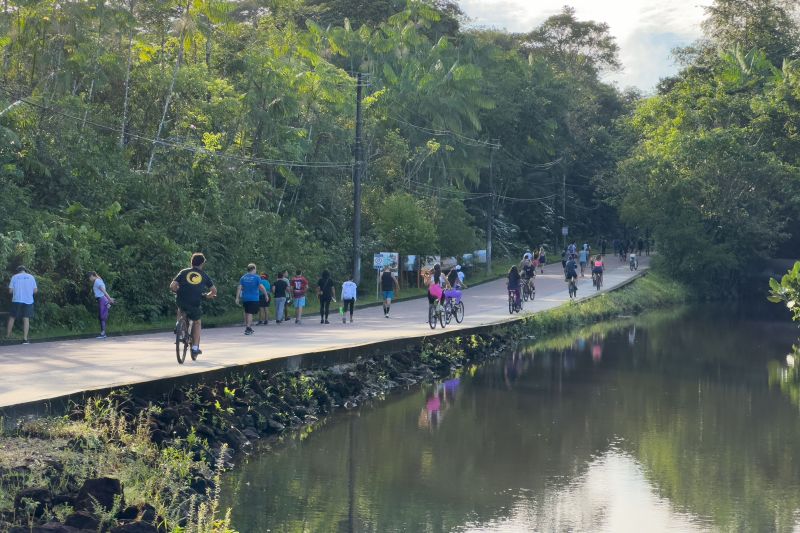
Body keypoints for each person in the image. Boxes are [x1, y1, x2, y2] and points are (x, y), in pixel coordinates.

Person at [170, 253, 217, 357]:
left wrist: (177, 291)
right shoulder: (204, 275)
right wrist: (207, 296)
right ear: (202, 263)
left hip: (181, 299)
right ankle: (195, 348)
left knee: (181, 307)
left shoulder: (184, 272)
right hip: (195, 301)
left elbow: (172, 286)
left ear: (191, 262)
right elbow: (214, 291)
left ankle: (179, 326)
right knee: (197, 322)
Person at [6, 266, 38, 344]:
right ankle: (25, 338)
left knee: (12, 317)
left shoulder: (14, 277)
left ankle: (7, 335)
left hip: (17, 300)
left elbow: (10, 291)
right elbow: (35, 290)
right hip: (28, 300)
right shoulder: (31, 277)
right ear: (25, 270)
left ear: (18, 271)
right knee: (26, 318)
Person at [236, 263, 268, 335]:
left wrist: (237, 298)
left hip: (246, 298)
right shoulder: (256, 277)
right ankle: (248, 328)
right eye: (255, 269)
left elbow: (239, 287)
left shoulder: (243, 277)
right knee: (250, 313)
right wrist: (266, 295)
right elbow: (261, 287)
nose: (256, 270)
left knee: (247, 312)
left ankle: (248, 327)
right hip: (253, 298)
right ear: (253, 269)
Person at [88, 271, 115, 339]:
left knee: (102, 317)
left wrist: (109, 299)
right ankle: (103, 333)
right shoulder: (99, 280)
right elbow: (102, 292)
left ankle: (103, 334)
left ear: (92, 276)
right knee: (102, 317)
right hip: (102, 300)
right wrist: (108, 299)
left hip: (102, 300)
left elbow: (104, 291)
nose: (89, 279)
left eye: (89, 277)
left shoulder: (97, 281)